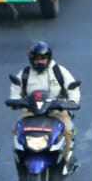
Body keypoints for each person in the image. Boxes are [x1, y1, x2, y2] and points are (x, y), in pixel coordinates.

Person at [11, 40, 80, 168]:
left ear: (48, 58)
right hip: (31, 110)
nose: (40, 61)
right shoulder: (25, 73)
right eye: (37, 59)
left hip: (56, 110)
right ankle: (20, 159)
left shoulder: (59, 71)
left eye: (43, 58)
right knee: (17, 130)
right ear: (31, 59)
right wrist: (15, 101)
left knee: (68, 129)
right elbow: (16, 89)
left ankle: (66, 159)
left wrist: (72, 102)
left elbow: (72, 87)